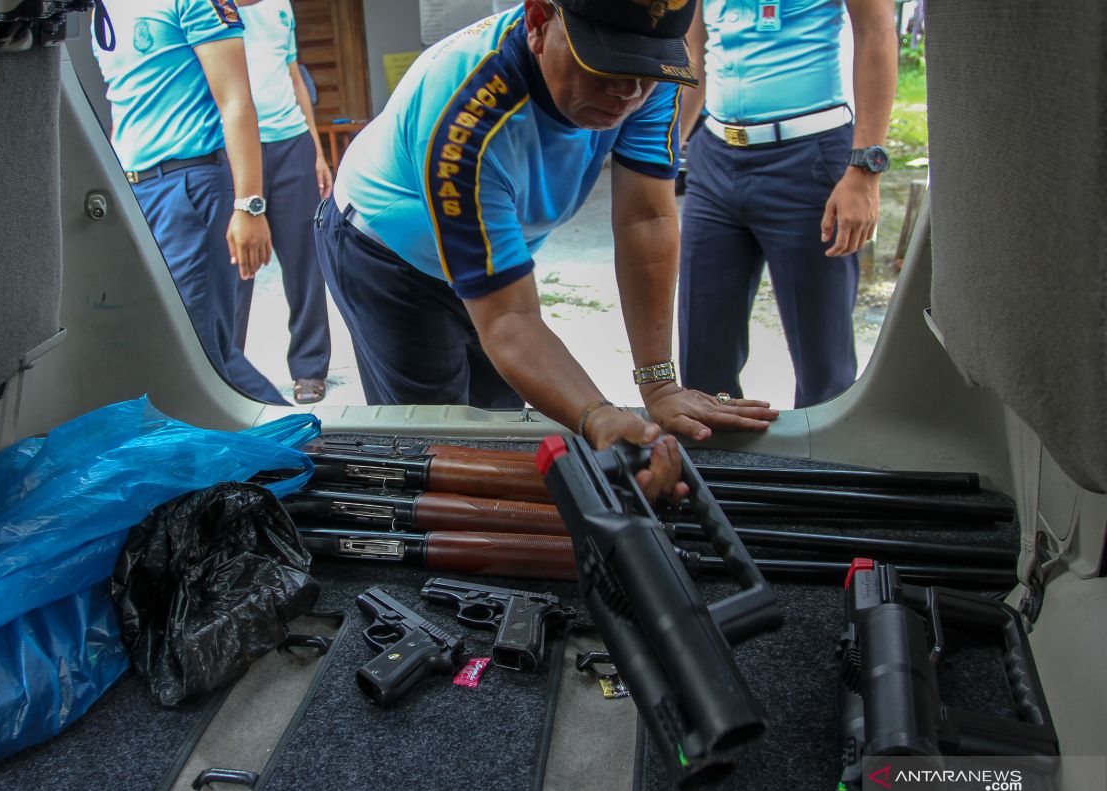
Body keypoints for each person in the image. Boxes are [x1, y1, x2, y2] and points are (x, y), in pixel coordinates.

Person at [317, 0, 778, 493]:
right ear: (539, 22)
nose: (626, 92)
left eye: (642, 71)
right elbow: (509, 320)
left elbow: (645, 219)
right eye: (603, 63)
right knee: (436, 448)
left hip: (488, 242)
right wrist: (598, 416)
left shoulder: (654, 77)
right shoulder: (466, 112)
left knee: (498, 427)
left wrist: (659, 384)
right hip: (388, 255)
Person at [677, 0, 897, 408]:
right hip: (714, 156)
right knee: (702, 361)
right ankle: (712, 466)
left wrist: (865, 170)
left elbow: (877, 32)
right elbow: (693, 53)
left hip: (808, 159)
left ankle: (825, 468)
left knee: (822, 365)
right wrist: (662, 151)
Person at [91, 0, 286, 405]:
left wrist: (250, 205)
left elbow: (236, 100)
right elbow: (125, 107)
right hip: (136, 191)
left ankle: (306, 445)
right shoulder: (102, 12)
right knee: (164, 344)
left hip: (189, 184)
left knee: (202, 354)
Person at [234, 0, 334, 404]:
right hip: (237, 149)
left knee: (305, 263)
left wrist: (315, 151)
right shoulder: (206, 6)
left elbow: (294, 78)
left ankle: (310, 368)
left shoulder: (279, 6)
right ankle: (226, 365)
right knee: (235, 266)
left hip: (290, 143)